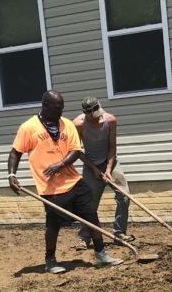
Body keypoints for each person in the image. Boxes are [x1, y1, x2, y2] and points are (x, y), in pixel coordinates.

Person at [8, 90, 123, 273]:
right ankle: (50, 260)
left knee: (91, 215)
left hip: (74, 181)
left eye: (62, 107)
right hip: (49, 187)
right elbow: (15, 152)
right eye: (56, 108)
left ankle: (101, 254)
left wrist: (60, 164)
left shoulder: (67, 125)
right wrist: (11, 176)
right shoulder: (28, 127)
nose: (60, 111)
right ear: (45, 106)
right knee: (53, 225)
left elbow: (76, 150)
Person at [72, 96, 133, 249]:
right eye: (93, 115)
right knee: (88, 203)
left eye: (98, 113)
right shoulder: (78, 124)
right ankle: (84, 237)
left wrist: (108, 169)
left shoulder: (110, 120)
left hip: (110, 162)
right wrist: (94, 168)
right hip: (90, 164)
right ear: (85, 113)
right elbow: (77, 151)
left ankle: (119, 234)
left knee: (124, 196)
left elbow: (113, 146)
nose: (97, 117)